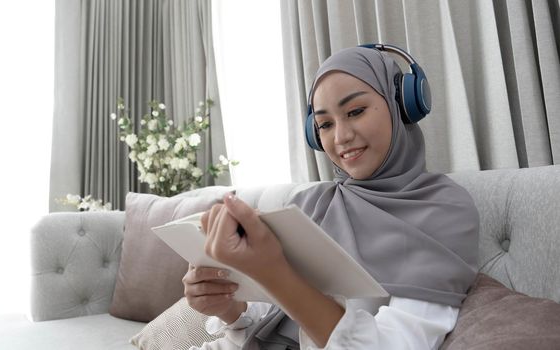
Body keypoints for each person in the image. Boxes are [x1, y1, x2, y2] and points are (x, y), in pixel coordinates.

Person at [182, 45, 479, 349]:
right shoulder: (310, 205)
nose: (340, 137)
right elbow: (271, 318)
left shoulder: (445, 210)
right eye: (325, 124)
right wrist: (227, 305)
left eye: (355, 111)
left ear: (401, 104)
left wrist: (273, 271)